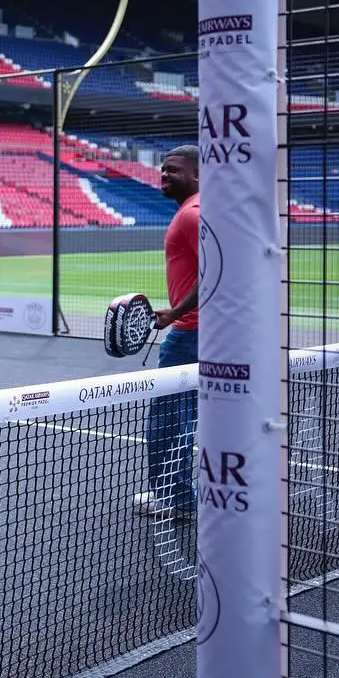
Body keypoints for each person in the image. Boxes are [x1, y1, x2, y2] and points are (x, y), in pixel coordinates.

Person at [134, 144, 200, 518]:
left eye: (173, 170)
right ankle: (179, 495)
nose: (164, 175)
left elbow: (216, 271)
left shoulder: (192, 214)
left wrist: (175, 312)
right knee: (182, 419)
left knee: (168, 421)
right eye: (162, 169)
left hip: (190, 335)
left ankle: (174, 499)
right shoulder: (194, 211)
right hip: (199, 332)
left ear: (197, 175)